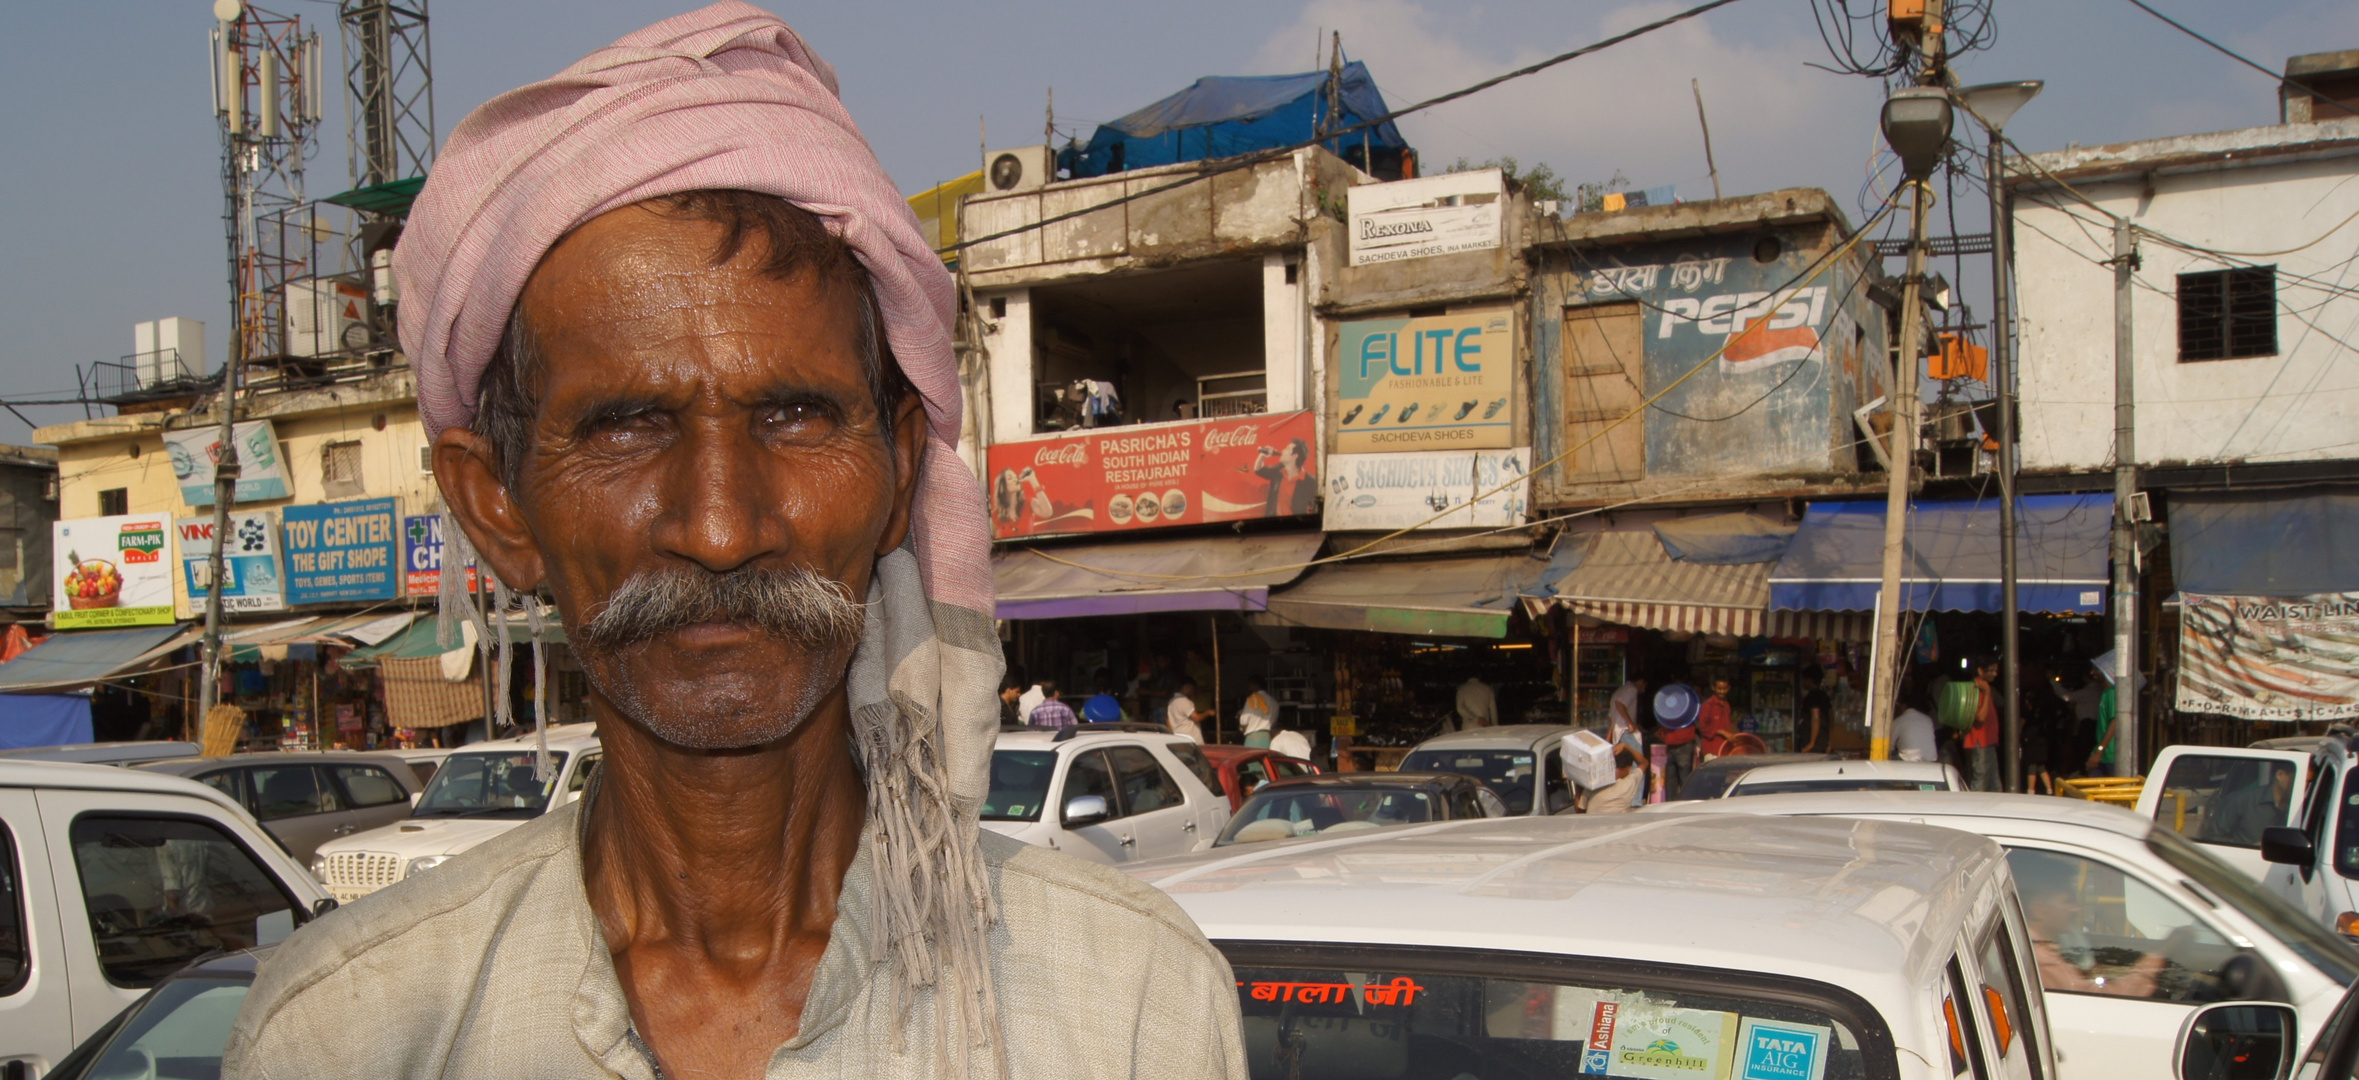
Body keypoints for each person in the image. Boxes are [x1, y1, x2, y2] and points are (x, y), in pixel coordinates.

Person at [223, 9, 1248, 1077]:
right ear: (497, 508)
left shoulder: (1129, 1004)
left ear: (899, 471)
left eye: (795, 417)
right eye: (626, 425)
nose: (719, 527)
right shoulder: (348, 1034)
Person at [2207, 762, 2297, 846]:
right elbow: (2212, 838)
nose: (2305, 785)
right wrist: (2248, 848)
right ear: (2280, 775)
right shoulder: (2241, 801)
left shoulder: (2302, 807)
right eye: (2297, 778)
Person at [1251, 439, 1317, 518]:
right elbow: (1259, 470)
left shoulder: (1310, 482)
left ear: (1295, 456)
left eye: (1287, 449)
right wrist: (1262, 456)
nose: (1283, 450)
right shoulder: (1279, 471)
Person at [1965, 655, 2003, 791]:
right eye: (1991, 670)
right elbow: (1980, 717)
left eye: (1996, 670)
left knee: (1994, 785)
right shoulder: (1976, 688)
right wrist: (1987, 694)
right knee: (1980, 781)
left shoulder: (1985, 687)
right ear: (1981, 671)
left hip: (1988, 742)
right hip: (1980, 741)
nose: (1994, 674)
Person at [2087, 651, 2125, 777]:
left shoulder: (2113, 693)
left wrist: (2099, 751)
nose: (2092, 673)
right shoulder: (2105, 693)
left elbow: (2115, 722)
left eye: (2096, 670)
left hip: (2110, 755)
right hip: (2104, 755)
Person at [1892, 690, 1941, 764]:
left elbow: (1889, 746)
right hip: (1931, 760)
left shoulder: (1899, 721)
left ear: (1904, 705)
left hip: (1909, 761)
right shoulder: (1927, 719)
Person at [1696, 678, 1735, 759]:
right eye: (1719, 689)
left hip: (1725, 749)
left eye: (1724, 689)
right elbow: (1703, 727)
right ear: (1713, 688)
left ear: (1728, 688)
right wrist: (1722, 732)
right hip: (1711, 750)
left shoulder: (1726, 705)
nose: (1722, 691)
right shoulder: (1708, 705)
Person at [1796, 671, 1834, 755]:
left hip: (1814, 744)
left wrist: (1811, 743)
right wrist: (1830, 741)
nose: (1802, 682)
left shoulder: (1812, 696)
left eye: (1804, 680)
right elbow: (1831, 718)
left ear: (1809, 680)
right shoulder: (1824, 695)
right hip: (1823, 741)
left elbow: (1815, 717)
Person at [1167, 679, 1212, 743]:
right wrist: (1208, 712)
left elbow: (1169, 722)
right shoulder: (1184, 701)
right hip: (1189, 738)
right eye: (1192, 688)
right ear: (1186, 687)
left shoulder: (1172, 701)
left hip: (1178, 737)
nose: (1193, 691)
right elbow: (1196, 718)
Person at [1238, 677, 1276, 747]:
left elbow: (1244, 721)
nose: (1249, 688)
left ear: (1256, 686)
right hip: (1267, 737)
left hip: (1253, 737)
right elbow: (1274, 721)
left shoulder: (1253, 699)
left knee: (1252, 758)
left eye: (1250, 685)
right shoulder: (1274, 702)